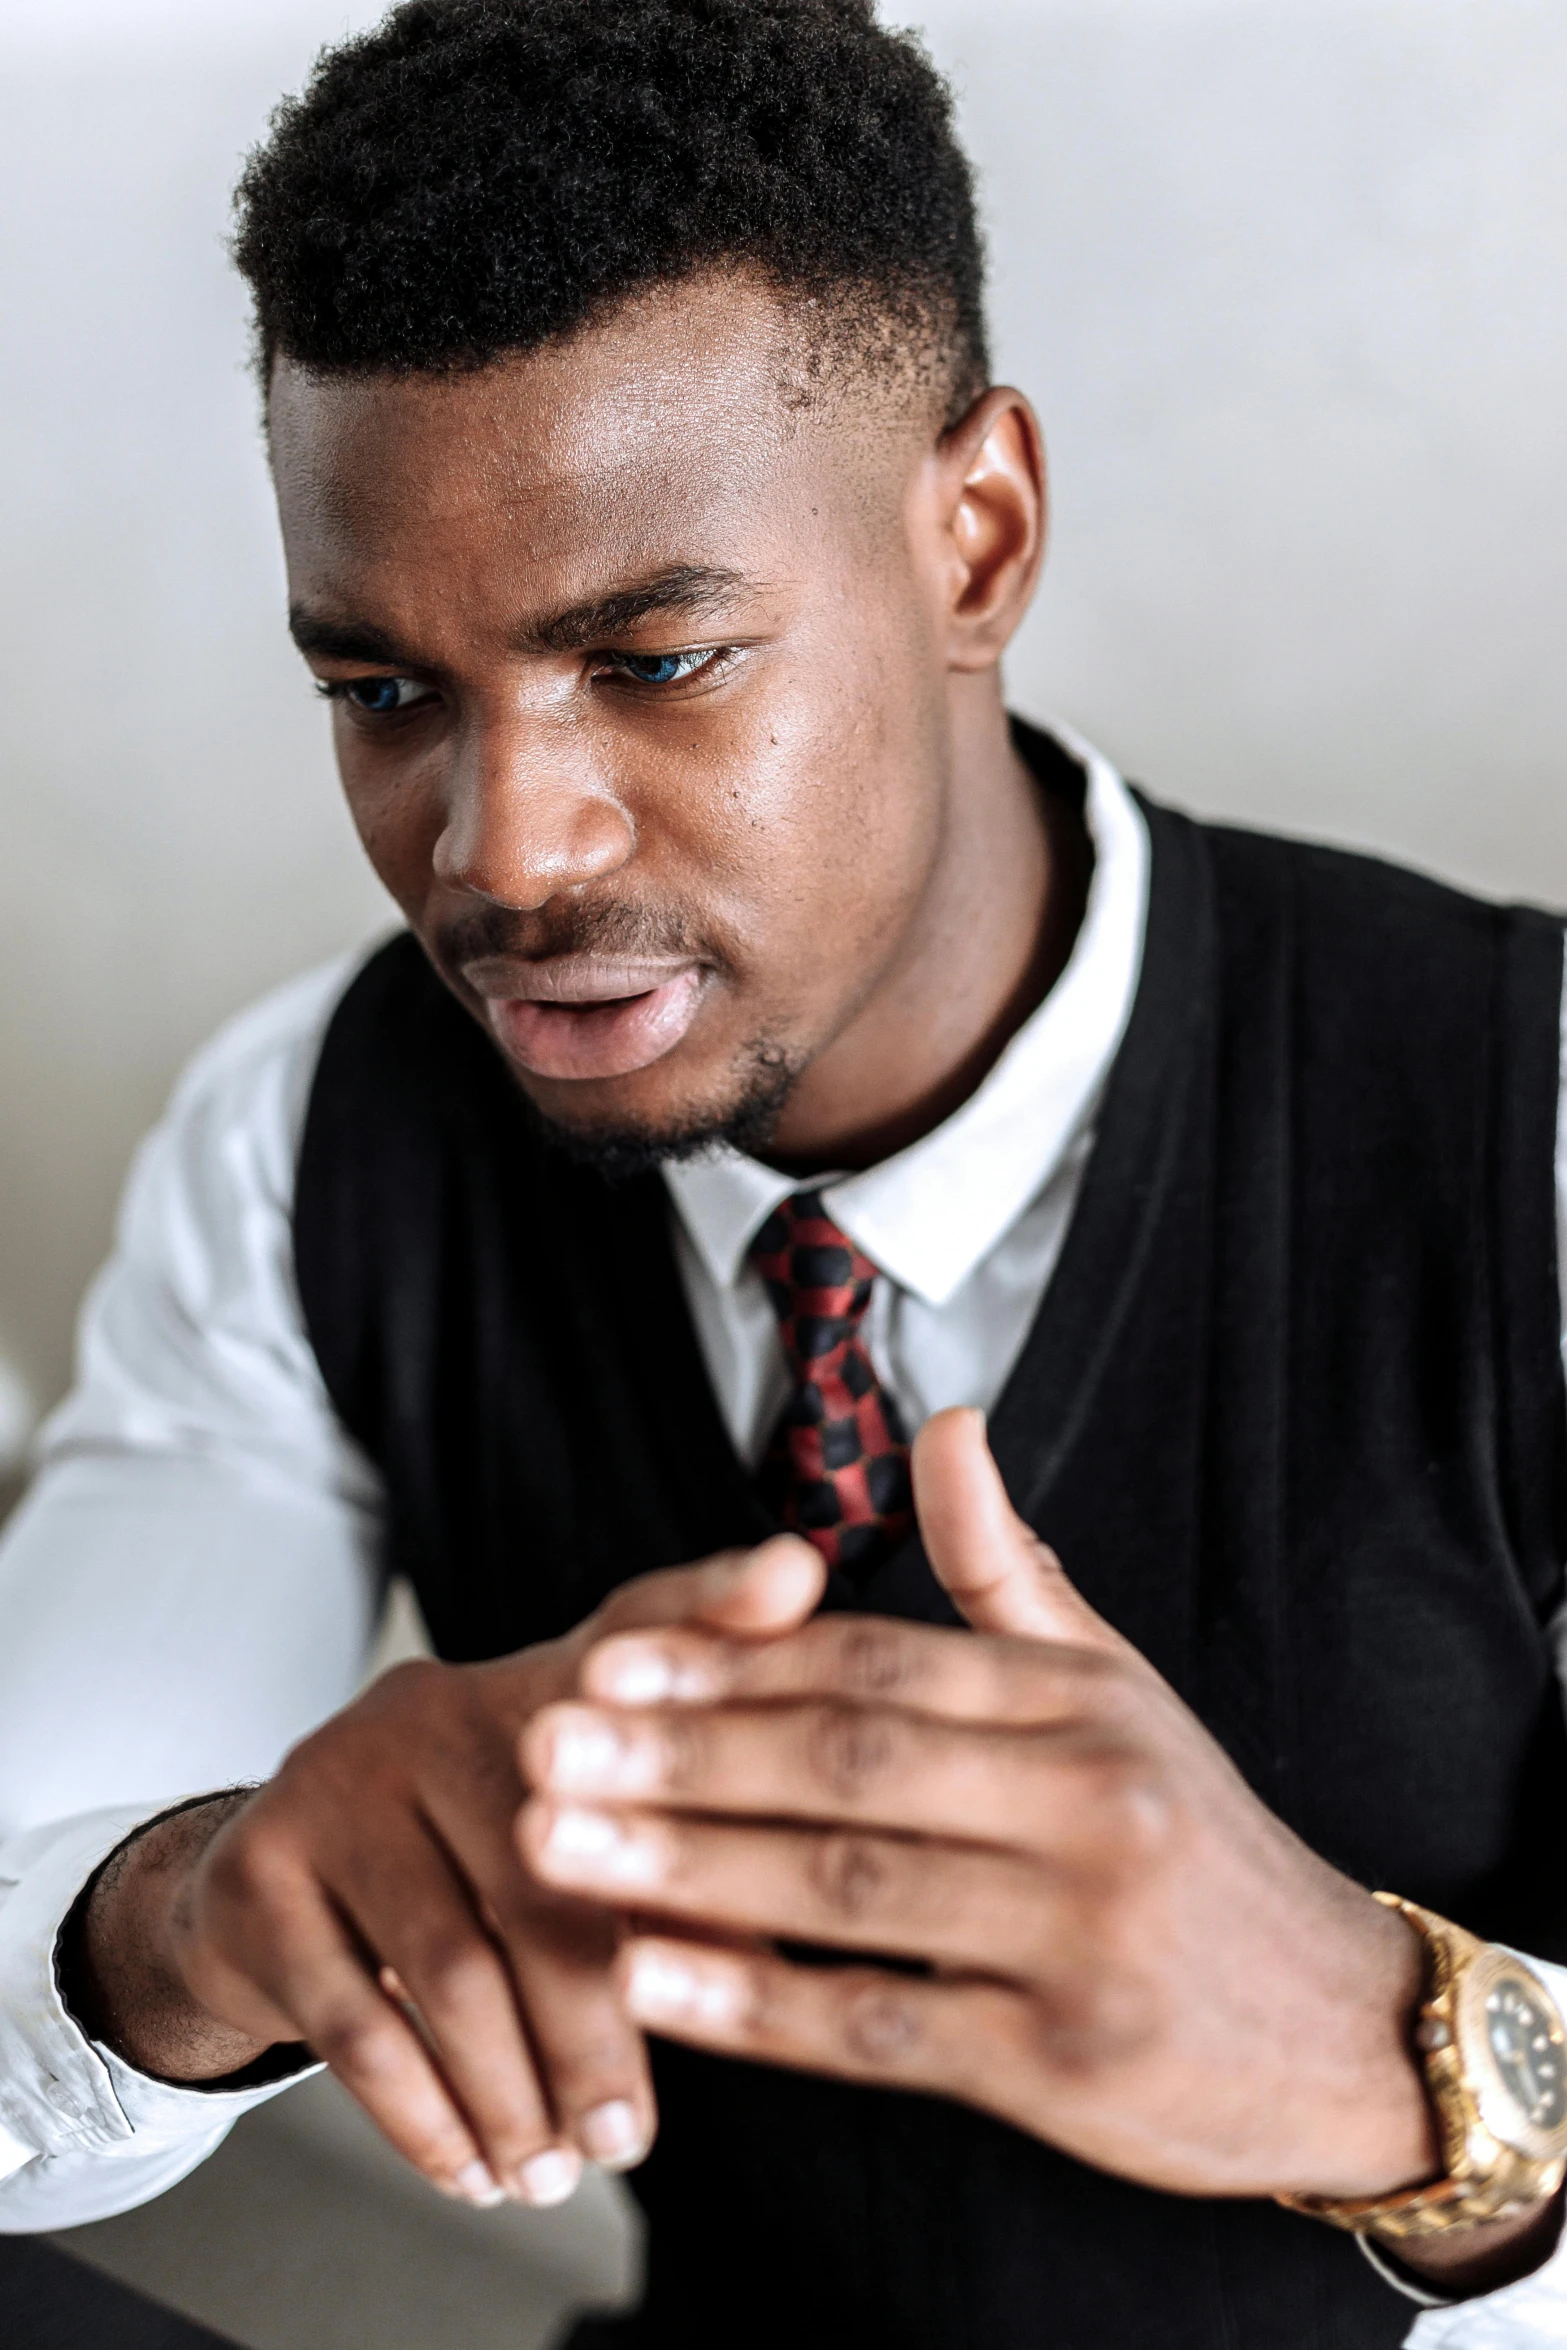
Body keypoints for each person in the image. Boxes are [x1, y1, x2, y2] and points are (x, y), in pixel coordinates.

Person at [1, 0, 1565, 2342]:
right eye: (383, 692)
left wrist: (1400, 2068)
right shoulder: (311, 1141)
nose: (501, 852)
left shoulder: (1515, 1119)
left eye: (657, 658)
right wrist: (197, 1912)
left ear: (977, 535)